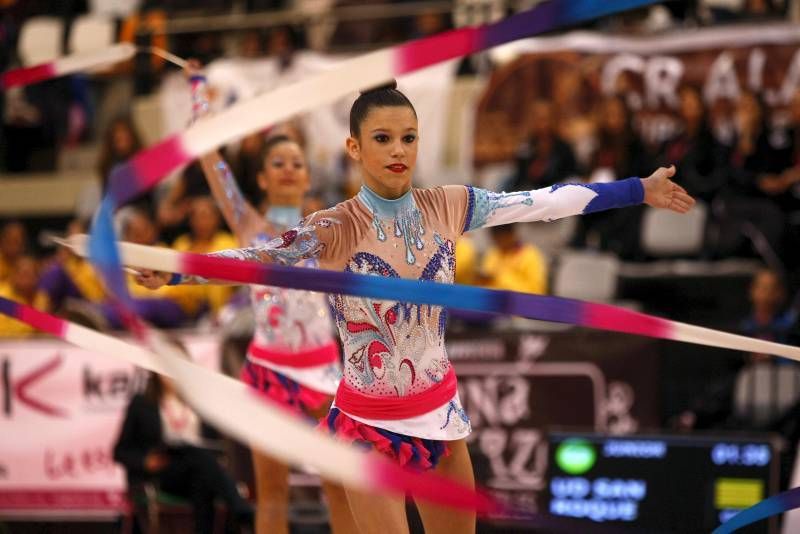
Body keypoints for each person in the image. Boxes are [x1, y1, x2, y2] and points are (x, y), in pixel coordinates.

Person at [138, 81, 694, 534]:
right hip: (366, 428)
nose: (399, 150)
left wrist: (636, 190)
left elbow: (543, 203)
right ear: (354, 148)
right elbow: (255, 255)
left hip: (441, 418)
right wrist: (177, 269)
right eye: (382, 139)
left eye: (408, 138)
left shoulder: (449, 205)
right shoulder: (335, 227)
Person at [177, 65, 356, 534]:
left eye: (297, 163)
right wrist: (200, 92)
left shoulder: (326, 230)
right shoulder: (249, 228)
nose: (289, 169)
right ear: (261, 178)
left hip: (322, 371)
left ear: (306, 177)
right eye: (278, 163)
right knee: (271, 493)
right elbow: (207, 154)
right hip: (268, 370)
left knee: (340, 485)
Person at [113, 364, 254, 534]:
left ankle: (228, 517)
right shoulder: (142, 403)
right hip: (163, 472)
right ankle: (242, 510)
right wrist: (145, 461)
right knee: (199, 459)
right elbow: (120, 451)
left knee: (201, 473)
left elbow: (214, 443)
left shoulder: (199, 403)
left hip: (196, 471)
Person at [478, 224, 547, 295]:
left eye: (502, 236)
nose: (498, 241)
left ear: (512, 234)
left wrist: (500, 277)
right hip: (493, 301)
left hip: (521, 303)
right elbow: (485, 283)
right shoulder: (493, 253)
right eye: (495, 236)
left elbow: (536, 291)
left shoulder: (530, 255)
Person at [0, 255, 50, 337]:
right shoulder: (3, 297)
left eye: (31, 275)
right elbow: (6, 334)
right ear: (13, 276)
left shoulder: (41, 297)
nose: (27, 280)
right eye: (23, 274)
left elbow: (46, 331)